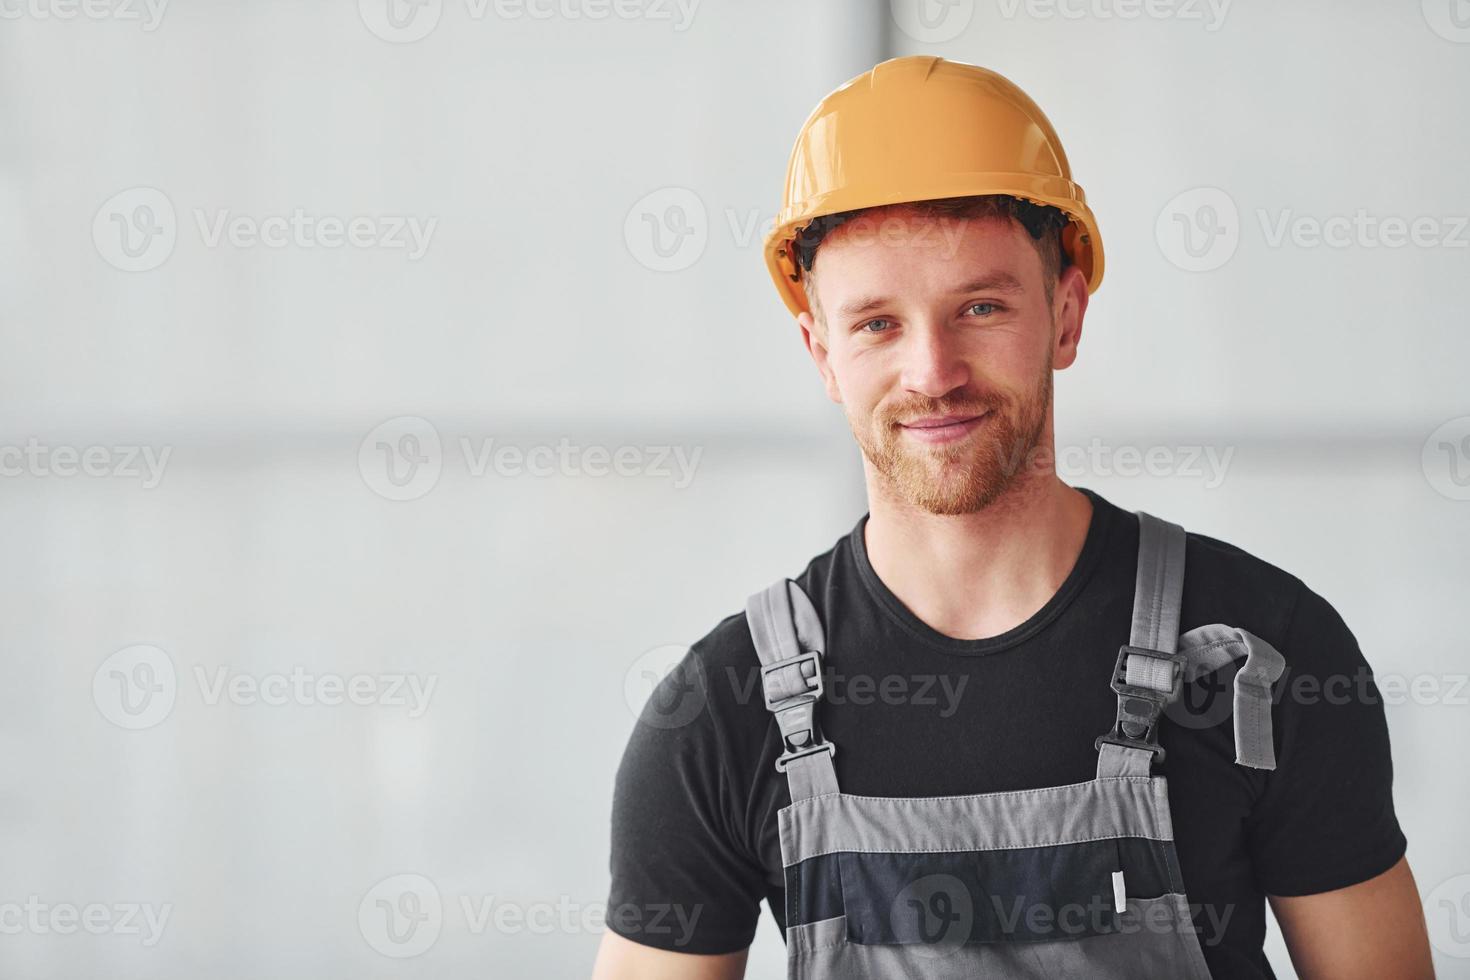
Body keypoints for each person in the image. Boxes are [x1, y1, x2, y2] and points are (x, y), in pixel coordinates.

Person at [591, 55, 1432, 980]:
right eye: (876, 324)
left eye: (980, 306)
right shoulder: (718, 713)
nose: (933, 371)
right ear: (821, 352)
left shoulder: (1258, 658)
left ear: (1066, 315)